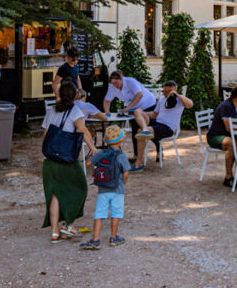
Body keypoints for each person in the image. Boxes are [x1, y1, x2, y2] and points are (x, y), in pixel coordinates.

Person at [41, 80, 94, 243]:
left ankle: (55, 232)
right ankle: (68, 225)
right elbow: (83, 131)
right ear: (75, 96)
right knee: (80, 188)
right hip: (67, 158)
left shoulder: (51, 110)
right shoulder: (75, 111)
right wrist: (94, 148)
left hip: (50, 160)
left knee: (55, 194)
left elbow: (45, 134)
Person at [81, 124, 131, 250]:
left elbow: (87, 163)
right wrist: (124, 183)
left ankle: (95, 240)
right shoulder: (121, 156)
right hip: (118, 189)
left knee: (99, 214)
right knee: (116, 214)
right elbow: (126, 173)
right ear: (120, 140)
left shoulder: (101, 153)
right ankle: (113, 238)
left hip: (103, 189)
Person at [103, 70, 158, 171]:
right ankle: (137, 156)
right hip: (133, 109)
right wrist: (107, 112)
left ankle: (159, 151)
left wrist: (128, 108)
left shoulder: (130, 82)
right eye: (113, 82)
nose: (114, 85)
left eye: (116, 82)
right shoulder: (112, 87)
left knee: (149, 129)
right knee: (135, 130)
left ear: (121, 79)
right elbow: (107, 100)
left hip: (148, 104)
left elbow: (139, 95)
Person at [138, 80, 194, 168]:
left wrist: (177, 95)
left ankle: (138, 162)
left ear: (174, 90)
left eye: (167, 91)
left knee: (144, 131)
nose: (165, 93)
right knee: (138, 115)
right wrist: (142, 113)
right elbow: (154, 115)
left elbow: (190, 104)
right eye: (164, 91)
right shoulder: (162, 99)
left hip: (168, 128)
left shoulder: (179, 100)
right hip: (158, 122)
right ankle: (154, 145)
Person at [206, 84, 237, 188]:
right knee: (232, 143)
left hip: (233, 135)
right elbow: (229, 128)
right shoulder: (226, 106)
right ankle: (228, 177)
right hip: (216, 136)